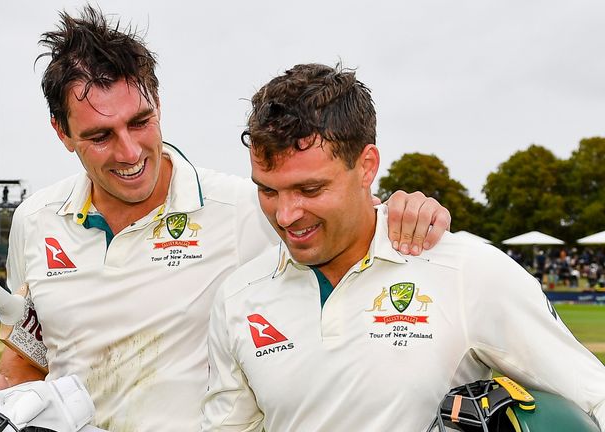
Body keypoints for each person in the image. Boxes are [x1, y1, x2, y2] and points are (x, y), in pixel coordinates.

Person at [0, 7, 451, 431]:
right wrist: (7, 395)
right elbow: (33, 350)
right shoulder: (35, 219)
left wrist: (407, 210)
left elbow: (350, 233)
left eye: (140, 122)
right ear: (62, 133)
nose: (129, 151)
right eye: (100, 136)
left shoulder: (245, 208)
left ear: (158, 103)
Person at [201, 63, 605, 431]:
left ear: (367, 166)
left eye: (309, 189)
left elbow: (593, 396)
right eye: (268, 190)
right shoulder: (238, 297)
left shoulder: (468, 272)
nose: (286, 215)